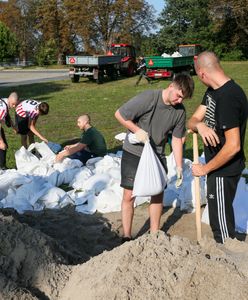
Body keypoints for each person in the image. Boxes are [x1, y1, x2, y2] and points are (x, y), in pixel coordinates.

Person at [115, 73, 195, 242]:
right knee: (129, 195)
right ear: (171, 86)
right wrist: (137, 130)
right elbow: (119, 114)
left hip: (157, 154)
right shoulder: (149, 98)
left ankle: (154, 235)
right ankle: (127, 236)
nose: (180, 101)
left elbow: (176, 139)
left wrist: (179, 166)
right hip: (134, 151)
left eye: (183, 98)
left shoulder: (179, 112)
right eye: (179, 96)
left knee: (157, 194)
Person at [188, 51, 248, 244]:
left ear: (203, 74)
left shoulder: (229, 97)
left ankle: (227, 260)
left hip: (223, 169)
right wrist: (201, 126)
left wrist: (204, 169)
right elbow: (193, 120)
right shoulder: (213, 92)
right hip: (216, 167)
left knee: (220, 224)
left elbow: (233, 146)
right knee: (217, 215)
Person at [0, 92, 19, 169]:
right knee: (3, 146)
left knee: (4, 146)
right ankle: (2, 167)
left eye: (15, 104)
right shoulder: (3, 108)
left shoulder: (4, 101)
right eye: (13, 104)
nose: (14, 106)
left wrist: (13, 126)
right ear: (9, 99)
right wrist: (1, 142)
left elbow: (7, 115)